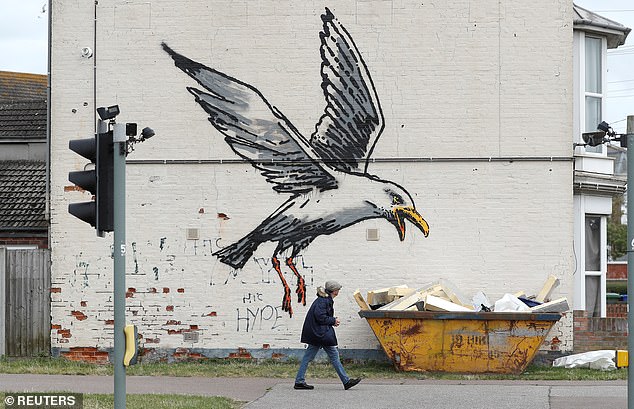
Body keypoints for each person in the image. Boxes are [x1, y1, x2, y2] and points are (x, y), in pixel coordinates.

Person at [294, 280, 361, 390]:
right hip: (320, 334)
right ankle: (346, 381)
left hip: (317, 334)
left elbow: (320, 317)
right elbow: (320, 317)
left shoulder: (324, 300)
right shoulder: (323, 301)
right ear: (334, 291)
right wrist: (333, 320)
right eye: (338, 289)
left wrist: (332, 321)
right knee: (333, 356)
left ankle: (299, 381)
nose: (339, 291)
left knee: (309, 357)